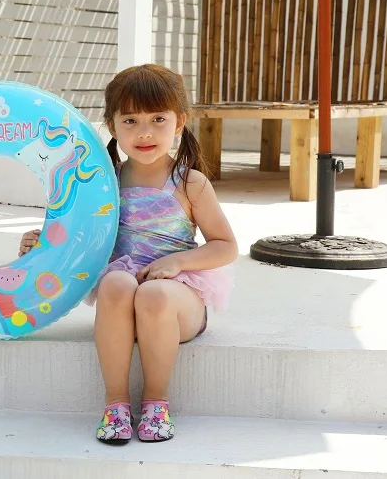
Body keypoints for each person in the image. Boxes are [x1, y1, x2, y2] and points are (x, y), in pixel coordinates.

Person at [18, 64, 237, 444]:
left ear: (179, 122)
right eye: (131, 120)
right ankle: (115, 405)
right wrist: (40, 244)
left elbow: (226, 245)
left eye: (158, 119)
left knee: (154, 293)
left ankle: (156, 404)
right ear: (112, 125)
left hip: (176, 302)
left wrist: (178, 261)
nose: (145, 132)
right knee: (116, 282)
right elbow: (76, 238)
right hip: (123, 304)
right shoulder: (104, 183)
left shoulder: (189, 183)